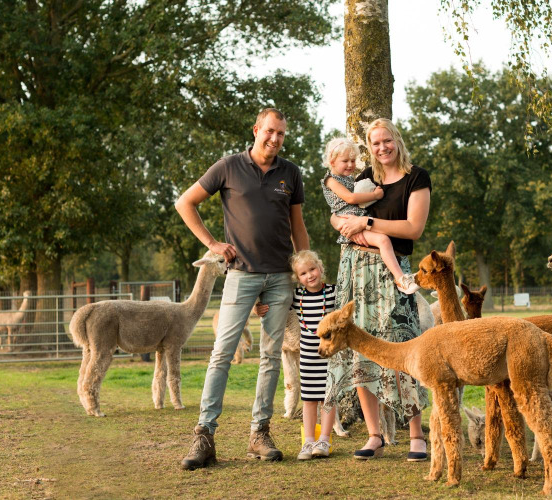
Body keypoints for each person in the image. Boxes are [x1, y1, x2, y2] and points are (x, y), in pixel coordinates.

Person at [176, 108, 309, 470]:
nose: (275, 139)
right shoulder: (228, 167)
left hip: (281, 278)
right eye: (269, 131)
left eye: (281, 134)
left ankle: (259, 433)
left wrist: (306, 266)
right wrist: (213, 244)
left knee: (270, 357)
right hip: (241, 275)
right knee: (222, 353)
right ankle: (204, 436)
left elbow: (298, 226)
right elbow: (184, 203)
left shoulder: (291, 174)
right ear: (256, 130)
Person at [323, 118, 431, 461]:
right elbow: (340, 212)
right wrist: (341, 222)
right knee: (358, 348)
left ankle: (416, 433)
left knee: (402, 346)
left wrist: (367, 222)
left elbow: (413, 228)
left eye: (387, 140)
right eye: (375, 143)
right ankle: (374, 434)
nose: (381, 147)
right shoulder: (363, 178)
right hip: (354, 268)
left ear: (396, 140)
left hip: (391, 270)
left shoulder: (416, 177)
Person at [255, 250, 338, 460]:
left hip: (330, 355)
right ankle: (309, 441)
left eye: (312, 269)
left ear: (320, 268)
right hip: (307, 355)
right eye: (303, 273)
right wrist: (259, 307)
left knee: (328, 398)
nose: (309, 275)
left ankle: (325, 441)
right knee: (309, 398)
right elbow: (275, 306)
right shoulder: (297, 297)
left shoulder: (334, 292)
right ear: (297, 278)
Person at [321, 137, 420, 294]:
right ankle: (401, 279)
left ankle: (400, 277)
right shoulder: (330, 180)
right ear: (332, 162)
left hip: (356, 222)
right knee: (383, 240)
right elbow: (351, 199)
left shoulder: (349, 178)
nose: (350, 165)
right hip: (349, 224)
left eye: (353, 161)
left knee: (383, 239)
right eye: (345, 161)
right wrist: (375, 195)